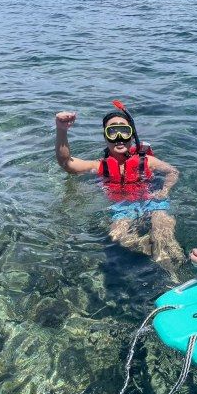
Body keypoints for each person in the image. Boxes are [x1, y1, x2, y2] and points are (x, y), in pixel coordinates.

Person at [54, 104, 185, 270]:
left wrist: (164, 190)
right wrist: (61, 129)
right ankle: (148, 247)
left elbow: (173, 171)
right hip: (122, 207)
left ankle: (176, 268)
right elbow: (66, 163)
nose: (119, 137)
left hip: (152, 202)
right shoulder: (101, 166)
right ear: (105, 136)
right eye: (112, 132)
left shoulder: (147, 161)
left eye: (124, 130)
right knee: (117, 237)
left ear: (132, 134)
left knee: (163, 232)